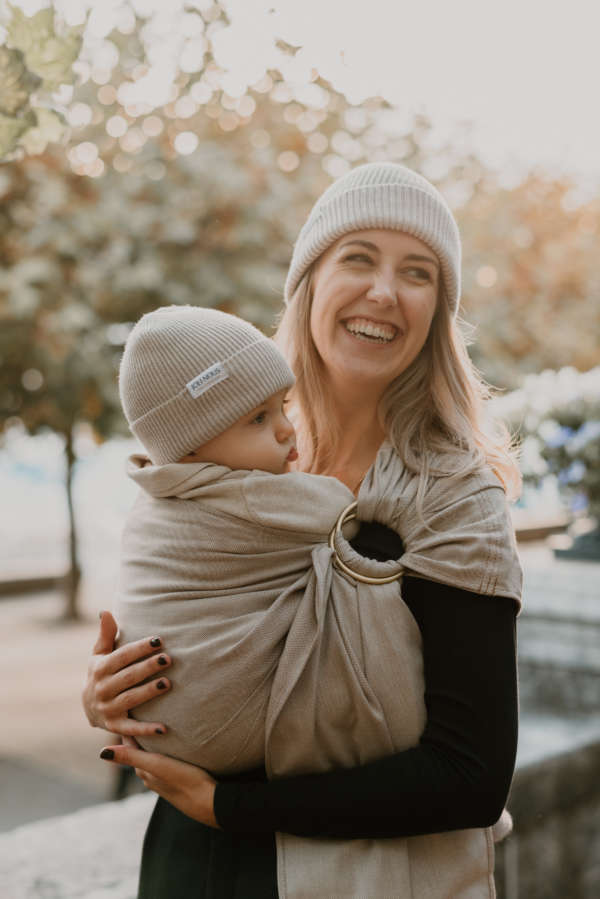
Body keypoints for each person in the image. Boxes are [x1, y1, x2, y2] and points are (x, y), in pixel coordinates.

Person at [83, 162, 522, 899]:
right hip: (194, 866)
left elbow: (471, 775)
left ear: (437, 309)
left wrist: (234, 806)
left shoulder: (453, 498)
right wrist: (112, 694)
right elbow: (176, 609)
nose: (384, 291)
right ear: (308, 281)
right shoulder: (219, 447)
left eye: (417, 272)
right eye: (358, 257)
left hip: (366, 874)